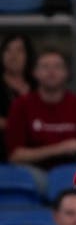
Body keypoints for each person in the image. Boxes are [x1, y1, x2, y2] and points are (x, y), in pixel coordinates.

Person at [5, 47, 76, 190]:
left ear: (67, 73)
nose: (51, 72)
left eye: (57, 67)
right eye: (45, 67)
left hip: (71, 173)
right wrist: (61, 148)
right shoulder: (20, 105)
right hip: (32, 173)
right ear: (35, 72)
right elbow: (15, 156)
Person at [0, 33, 37, 162]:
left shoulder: (37, 84)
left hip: (35, 150)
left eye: (19, 51)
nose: (13, 56)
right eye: (8, 50)